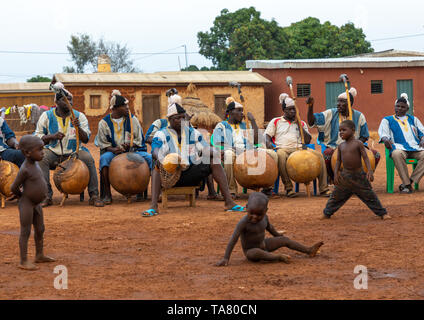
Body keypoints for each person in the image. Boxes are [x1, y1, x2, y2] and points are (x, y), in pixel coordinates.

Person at [141, 102, 244, 217]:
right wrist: (163, 158)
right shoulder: (161, 134)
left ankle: (229, 202)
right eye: (177, 118)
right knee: (156, 163)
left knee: (213, 160)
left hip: (190, 174)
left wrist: (215, 152)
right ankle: (153, 206)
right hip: (169, 177)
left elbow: (204, 147)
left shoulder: (192, 132)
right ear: (170, 119)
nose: (181, 120)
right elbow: (155, 151)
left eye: (183, 117)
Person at [35, 82, 104, 207]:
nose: (69, 103)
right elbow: (37, 137)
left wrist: (78, 128)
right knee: (41, 158)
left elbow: (86, 139)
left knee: (88, 159)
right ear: (57, 102)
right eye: (66, 100)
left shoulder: (79, 116)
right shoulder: (46, 116)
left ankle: (94, 195)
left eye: (71, 100)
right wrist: (52, 136)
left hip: (75, 153)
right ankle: (46, 195)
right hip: (53, 151)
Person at [216, 192, 324, 266]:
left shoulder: (265, 218)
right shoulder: (243, 223)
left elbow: (271, 229)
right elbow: (233, 240)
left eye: (259, 214)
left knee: (284, 240)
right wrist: (226, 258)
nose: (254, 217)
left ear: (265, 211)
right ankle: (278, 257)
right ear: (247, 207)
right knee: (255, 252)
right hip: (251, 251)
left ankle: (308, 250)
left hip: (264, 245)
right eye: (251, 213)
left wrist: (280, 238)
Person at [265, 93, 331, 198]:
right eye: (290, 109)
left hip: (300, 149)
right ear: (284, 110)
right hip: (283, 149)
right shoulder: (276, 121)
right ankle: (289, 188)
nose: (292, 112)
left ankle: (324, 188)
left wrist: (299, 123)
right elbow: (267, 136)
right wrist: (268, 143)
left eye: (294, 109)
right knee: (281, 156)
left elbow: (308, 140)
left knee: (319, 156)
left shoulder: (302, 123)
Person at [307, 88, 380, 181]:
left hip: (356, 147)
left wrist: (354, 145)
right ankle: (333, 178)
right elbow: (312, 121)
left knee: (376, 155)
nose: (338, 104)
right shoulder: (331, 113)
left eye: (342, 102)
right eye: (338, 101)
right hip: (335, 147)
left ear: (350, 104)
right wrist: (310, 106)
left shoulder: (359, 116)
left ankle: (364, 178)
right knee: (327, 154)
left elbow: (365, 135)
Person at [323, 120, 390, 220]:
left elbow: (366, 157)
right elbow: (338, 161)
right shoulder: (341, 146)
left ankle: (382, 213)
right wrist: (335, 174)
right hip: (345, 176)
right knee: (335, 197)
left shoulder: (358, 143)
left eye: (344, 130)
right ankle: (327, 213)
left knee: (370, 196)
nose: (341, 132)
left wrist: (370, 171)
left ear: (353, 130)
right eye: (340, 130)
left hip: (359, 176)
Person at [96, 90, 153, 204]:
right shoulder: (104, 123)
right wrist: (113, 149)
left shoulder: (133, 119)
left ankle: (154, 191)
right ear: (115, 108)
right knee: (104, 160)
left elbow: (139, 139)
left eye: (127, 105)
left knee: (150, 158)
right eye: (124, 106)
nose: (127, 108)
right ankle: (107, 194)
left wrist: (131, 144)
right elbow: (103, 143)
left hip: (134, 151)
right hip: (113, 152)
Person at [10, 135, 56, 270]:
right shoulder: (24, 169)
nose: (43, 152)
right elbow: (13, 187)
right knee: (25, 231)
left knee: (40, 229)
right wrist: (21, 196)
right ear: (27, 153)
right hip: (27, 203)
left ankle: (39, 255)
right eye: (40, 149)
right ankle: (23, 261)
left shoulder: (35, 163)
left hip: (36, 203)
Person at [212, 97, 259, 199]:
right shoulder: (222, 126)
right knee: (229, 155)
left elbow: (256, 141)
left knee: (269, 153)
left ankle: (267, 188)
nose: (242, 113)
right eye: (239, 111)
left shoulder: (245, 125)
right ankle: (231, 190)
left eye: (242, 111)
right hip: (231, 152)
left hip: (247, 152)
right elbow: (216, 142)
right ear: (230, 112)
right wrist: (232, 148)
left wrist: (253, 121)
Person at [378, 93, 424, 194]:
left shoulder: (414, 119)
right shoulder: (387, 120)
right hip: (399, 148)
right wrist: (385, 139)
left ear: (407, 108)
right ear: (394, 107)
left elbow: (422, 132)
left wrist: (422, 139)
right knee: (396, 153)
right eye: (397, 106)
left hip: (415, 148)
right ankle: (407, 185)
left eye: (402, 107)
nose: (399, 108)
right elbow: (383, 134)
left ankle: (409, 182)